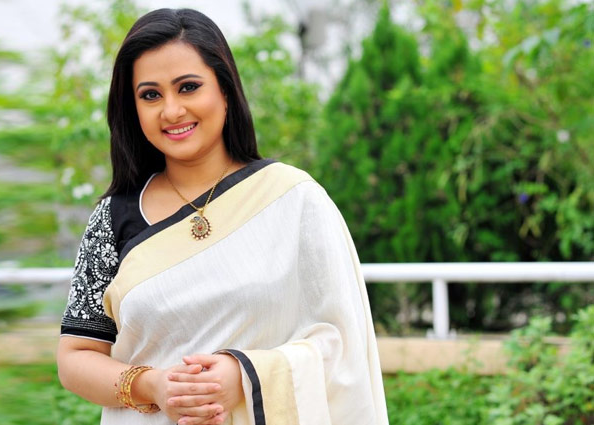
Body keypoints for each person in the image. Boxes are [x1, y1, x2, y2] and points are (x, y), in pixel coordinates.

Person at [57, 8, 389, 425]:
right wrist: (152, 385)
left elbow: (345, 343)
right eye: (150, 95)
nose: (171, 110)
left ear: (225, 91)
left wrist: (245, 377)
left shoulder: (294, 200)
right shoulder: (112, 218)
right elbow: (76, 356)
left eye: (188, 87)